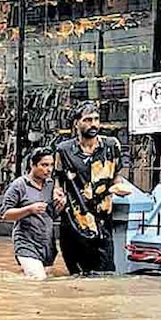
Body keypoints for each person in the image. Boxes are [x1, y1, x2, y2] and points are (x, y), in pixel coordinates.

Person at [54, 101, 132, 274]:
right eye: (88, 119)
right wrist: (58, 194)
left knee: (104, 275)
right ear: (76, 123)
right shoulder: (64, 150)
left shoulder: (111, 146)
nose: (94, 124)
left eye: (96, 119)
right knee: (77, 277)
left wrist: (119, 187)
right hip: (74, 223)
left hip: (102, 223)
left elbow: (116, 176)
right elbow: (58, 180)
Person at [0, 147, 66, 280]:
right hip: (26, 242)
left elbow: (51, 215)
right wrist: (29, 209)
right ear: (33, 165)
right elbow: (5, 215)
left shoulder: (50, 185)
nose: (49, 169)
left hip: (47, 244)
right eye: (44, 165)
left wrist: (60, 205)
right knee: (38, 279)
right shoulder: (19, 185)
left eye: (51, 165)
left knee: (44, 278)